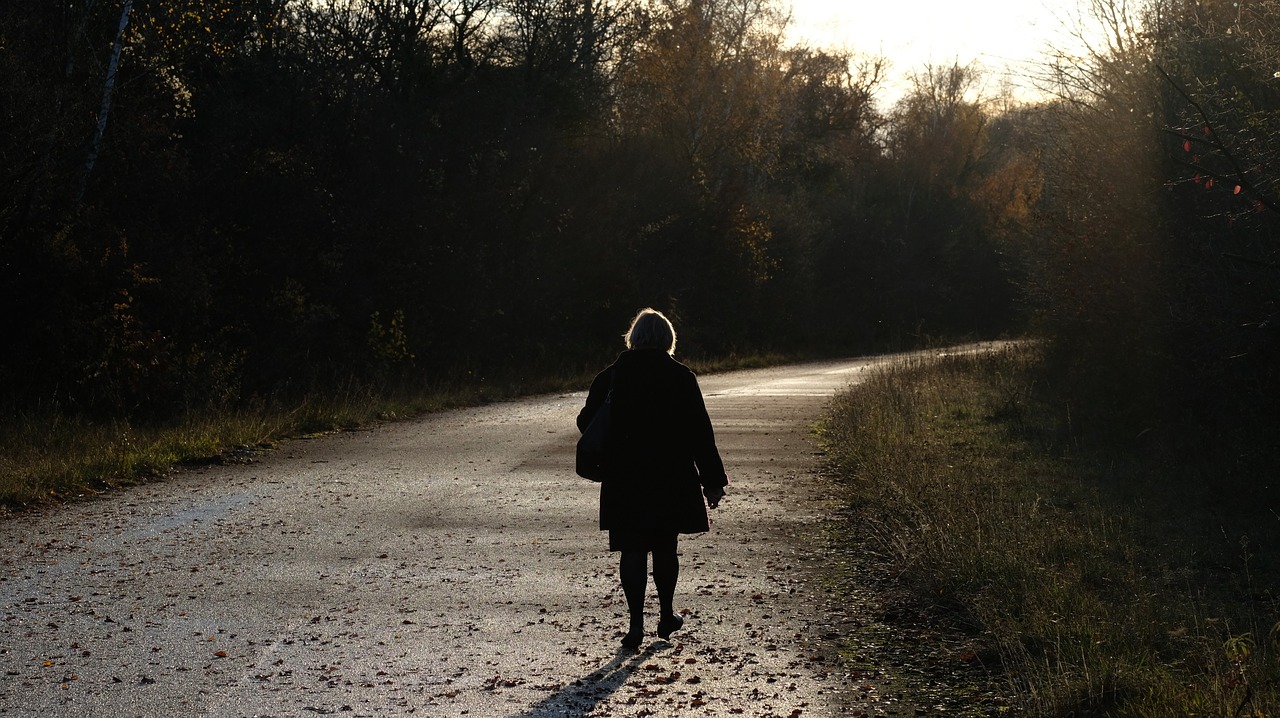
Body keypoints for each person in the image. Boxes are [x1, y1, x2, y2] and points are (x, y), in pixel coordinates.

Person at [576, 308, 728, 650]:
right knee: (664, 547)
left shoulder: (611, 377)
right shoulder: (681, 377)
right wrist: (712, 481)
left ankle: (634, 626)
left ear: (634, 338)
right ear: (667, 340)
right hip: (670, 475)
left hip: (624, 476)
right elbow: (700, 433)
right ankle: (666, 614)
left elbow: (587, 422)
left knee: (630, 548)